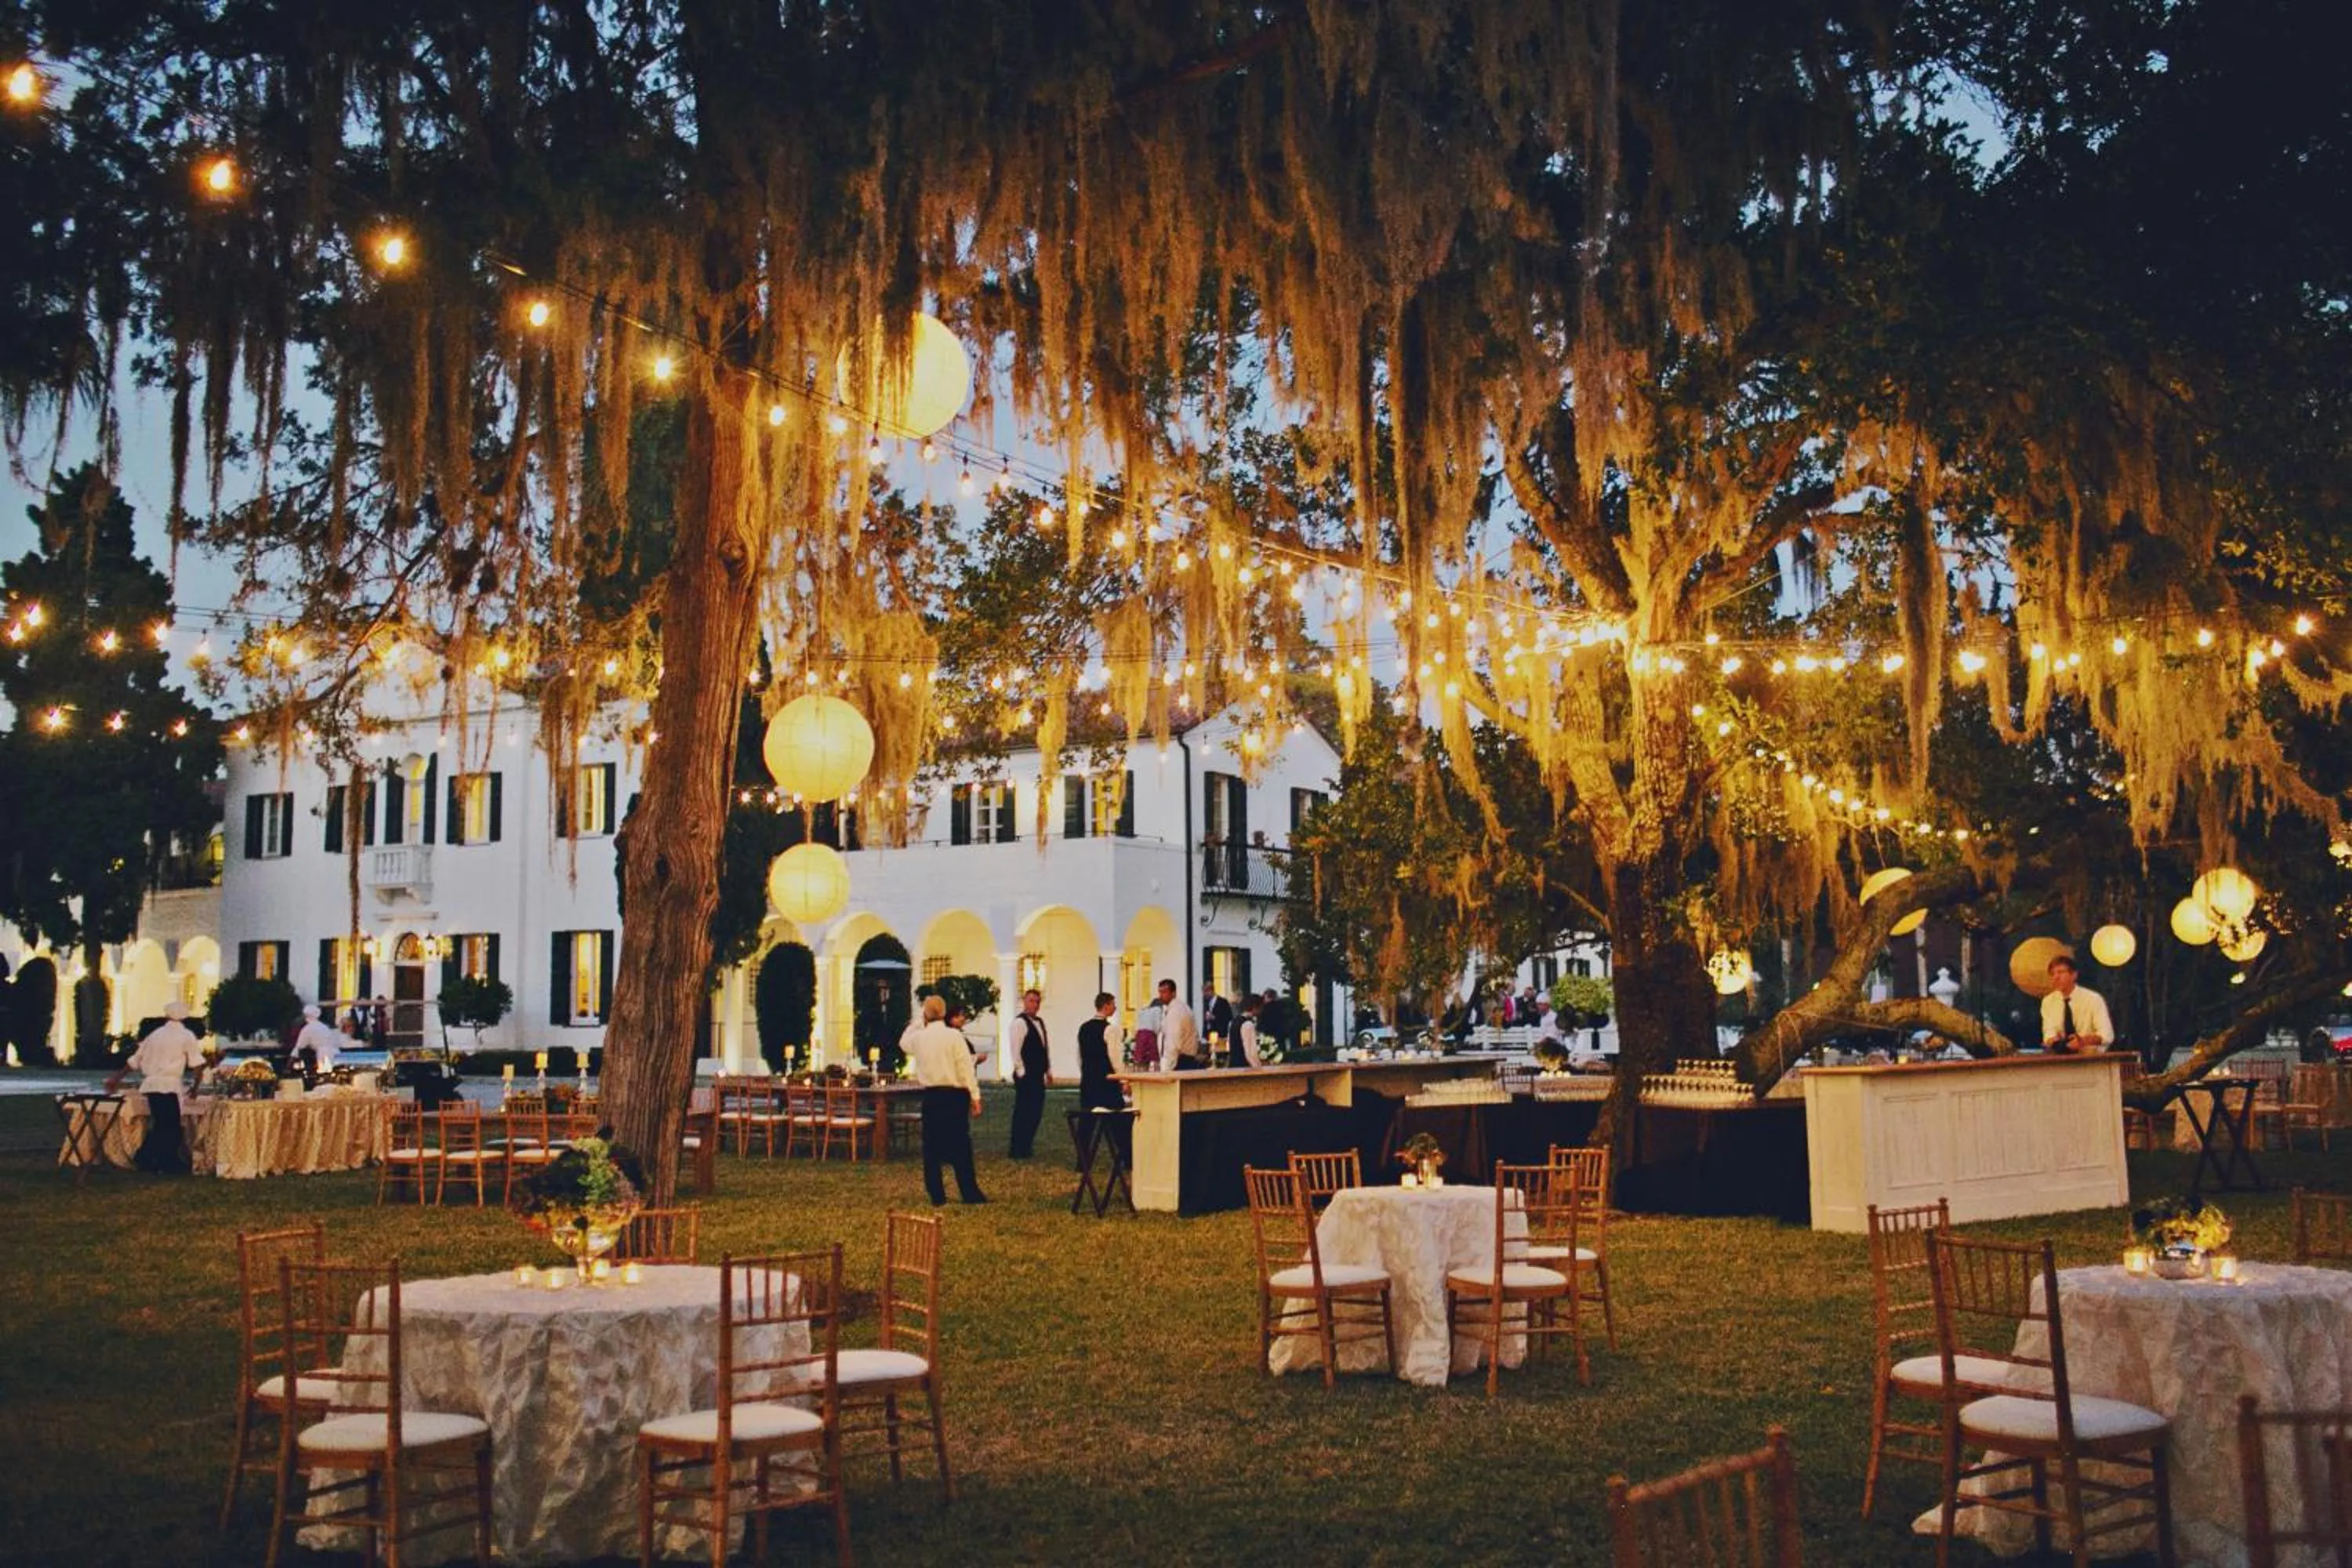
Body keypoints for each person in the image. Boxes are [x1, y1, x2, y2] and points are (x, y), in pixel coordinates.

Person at [107, 1002, 207, 1174]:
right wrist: (196, 1088)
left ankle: (148, 1158)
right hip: (169, 1085)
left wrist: (116, 1078)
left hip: (152, 1085)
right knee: (171, 1126)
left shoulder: (154, 1035)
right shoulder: (186, 1036)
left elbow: (134, 1061)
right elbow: (198, 1065)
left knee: (162, 1123)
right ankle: (166, 1161)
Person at [908, 996, 987, 1204]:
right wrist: (975, 1095)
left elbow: (903, 1042)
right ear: (944, 1013)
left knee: (931, 1148)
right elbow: (965, 1067)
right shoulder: (953, 1036)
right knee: (961, 1145)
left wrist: (919, 1021)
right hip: (955, 1096)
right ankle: (969, 1193)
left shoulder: (919, 1038)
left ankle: (937, 1195)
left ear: (926, 1013)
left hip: (932, 1096)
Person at [2039, 955, 2115, 1053]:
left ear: (2074, 975)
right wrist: (2053, 1041)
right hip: (2060, 1060)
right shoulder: (2048, 1002)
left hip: (2092, 1059)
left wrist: (2083, 1041)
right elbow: (2048, 1034)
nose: (2056, 977)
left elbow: (2107, 1035)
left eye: (2061, 972)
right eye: (2053, 974)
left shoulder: (2093, 999)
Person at [1008, 989, 1051, 1159]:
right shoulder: (1019, 1023)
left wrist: (1048, 1070)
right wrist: (1021, 1071)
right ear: (1024, 1002)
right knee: (1024, 1111)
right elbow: (1015, 1048)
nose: (1035, 1005)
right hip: (1026, 1074)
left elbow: (1044, 1047)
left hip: (1038, 1073)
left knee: (1035, 1111)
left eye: (1037, 1001)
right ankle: (1018, 1147)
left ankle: (1027, 1145)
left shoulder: (1039, 1022)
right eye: (1031, 1001)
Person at [1157, 979, 1200, 1070]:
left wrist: (1168, 1067)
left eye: (1164, 992)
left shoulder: (1175, 1012)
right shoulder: (1183, 1007)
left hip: (1180, 1060)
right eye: (1160, 992)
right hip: (1188, 1058)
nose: (1161, 996)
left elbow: (1173, 1042)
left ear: (1173, 993)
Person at [292, 1004, 341, 1080]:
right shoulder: (324, 1027)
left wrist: (289, 1065)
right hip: (334, 1054)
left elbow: (298, 1048)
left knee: (324, 1078)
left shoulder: (307, 1029)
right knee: (331, 1077)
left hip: (323, 1055)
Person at [1233, 994, 1261, 1068]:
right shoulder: (1248, 1024)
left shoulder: (1234, 1022)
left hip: (1234, 1066)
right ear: (1255, 1007)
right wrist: (1258, 1068)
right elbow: (1250, 1053)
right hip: (1244, 1067)